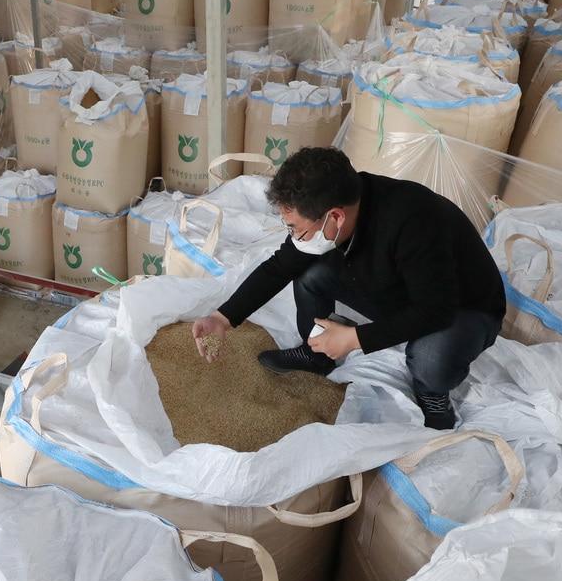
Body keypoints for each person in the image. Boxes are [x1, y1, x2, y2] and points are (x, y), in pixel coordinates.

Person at [191, 147, 506, 430]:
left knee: (429, 358)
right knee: (309, 272)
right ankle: (316, 354)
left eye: (297, 229)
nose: (294, 237)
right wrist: (223, 318)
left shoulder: (413, 220)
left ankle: (432, 394)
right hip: (398, 287)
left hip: (463, 306)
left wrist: (354, 338)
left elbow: (435, 309)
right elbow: (279, 266)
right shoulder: (337, 202)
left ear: (335, 217)